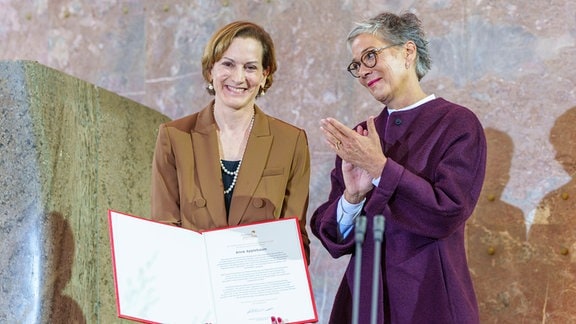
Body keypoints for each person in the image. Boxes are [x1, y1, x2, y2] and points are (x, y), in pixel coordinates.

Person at [311, 11, 486, 324]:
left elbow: (448, 210)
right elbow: (333, 238)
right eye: (356, 65)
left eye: (370, 56)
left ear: (408, 52)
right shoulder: (361, 136)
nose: (363, 72)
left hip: (431, 298)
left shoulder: (457, 124)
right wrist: (350, 199)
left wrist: (380, 169)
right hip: (364, 302)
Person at [150, 22, 312, 320]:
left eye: (251, 67)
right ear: (211, 69)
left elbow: (296, 237)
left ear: (265, 76)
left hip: (259, 307)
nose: (238, 78)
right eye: (228, 64)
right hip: (191, 303)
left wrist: (283, 298)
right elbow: (165, 231)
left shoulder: (292, 141)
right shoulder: (174, 136)